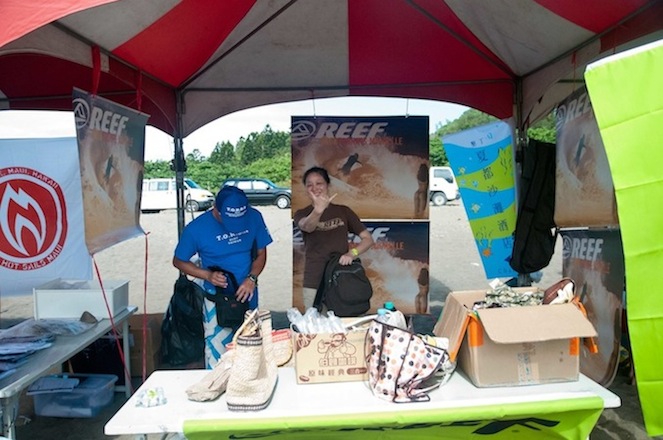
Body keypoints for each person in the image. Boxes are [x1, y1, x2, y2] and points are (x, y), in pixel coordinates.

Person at [173, 185, 273, 368]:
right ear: (216, 209)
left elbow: (261, 254)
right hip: (216, 298)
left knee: (251, 348)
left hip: (248, 293)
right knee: (218, 352)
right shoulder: (196, 229)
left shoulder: (254, 217)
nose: (235, 227)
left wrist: (252, 278)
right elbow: (179, 261)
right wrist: (207, 275)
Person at [294, 166, 374, 309]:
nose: (315, 188)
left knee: (342, 320)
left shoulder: (343, 211)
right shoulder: (302, 213)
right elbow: (307, 226)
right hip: (314, 280)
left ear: (328, 185)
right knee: (315, 321)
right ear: (306, 189)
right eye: (309, 185)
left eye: (319, 183)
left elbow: (367, 239)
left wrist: (352, 253)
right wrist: (318, 211)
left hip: (341, 278)